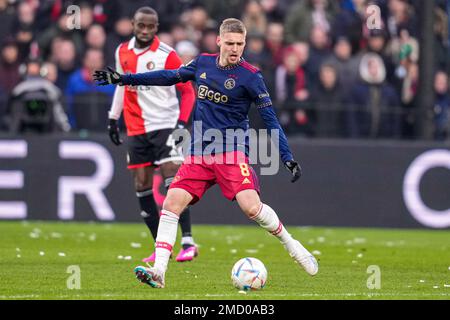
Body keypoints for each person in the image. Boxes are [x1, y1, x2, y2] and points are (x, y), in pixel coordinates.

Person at [94, 18, 318, 289]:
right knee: (171, 203)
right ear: (219, 41)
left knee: (251, 208)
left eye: (240, 44)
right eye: (231, 43)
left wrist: (286, 156)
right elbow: (168, 76)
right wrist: (124, 78)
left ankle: (293, 246)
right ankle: (159, 271)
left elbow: (271, 120)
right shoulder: (202, 63)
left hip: (232, 151)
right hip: (199, 151)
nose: (236, 49)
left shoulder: (251, 76)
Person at [107, 7, 198, 263]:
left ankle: (188, 241)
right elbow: (120, 86)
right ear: (133, 25)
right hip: (136, 129)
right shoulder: (121, 51)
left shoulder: (167, 55)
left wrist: (182, 123)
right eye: (141, 26)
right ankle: (162, 248)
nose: (145, 31)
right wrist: (113, 118)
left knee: (174, 180)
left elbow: (188, 91)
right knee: (141, 186)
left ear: (156, 27)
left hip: (166, 124)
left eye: (150, 26)